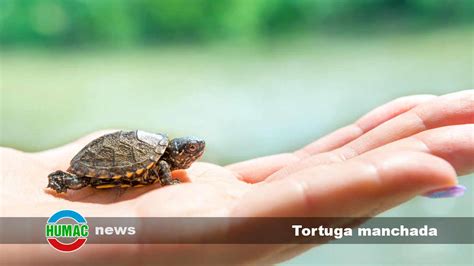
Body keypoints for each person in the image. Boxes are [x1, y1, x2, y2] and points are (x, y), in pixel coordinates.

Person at [1, 90, 472, 265]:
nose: (195, 153)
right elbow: (159, 168)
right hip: (101, 162)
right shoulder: (162, 164)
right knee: (80, 183)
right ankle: (68, 181)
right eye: (190, 151)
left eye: (192, 151)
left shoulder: (167, 156)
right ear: (177, 154)